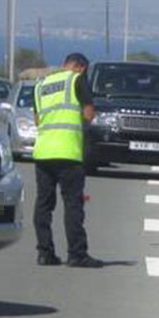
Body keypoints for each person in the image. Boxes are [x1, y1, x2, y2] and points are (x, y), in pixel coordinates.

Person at [32, 52, 102, 268]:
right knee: (73, 204)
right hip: (68, 152)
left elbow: (37, 119)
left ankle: (45, 253)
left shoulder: (40, 84)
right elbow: (89, 114)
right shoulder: (76, 80)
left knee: (43, 204)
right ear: (80, 67)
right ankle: (77, 254)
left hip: (43, 152)